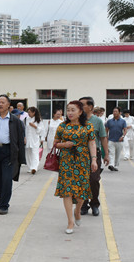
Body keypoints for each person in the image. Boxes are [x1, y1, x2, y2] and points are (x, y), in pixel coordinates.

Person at [53, 101, 97, 234]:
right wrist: (64, 145)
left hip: (82, 161)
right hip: (66, 161)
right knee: (67, 190)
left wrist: (94, 160)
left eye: (73, 110)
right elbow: (55, 143)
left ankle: (77, 210)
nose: (70, 113)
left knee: (81, 191)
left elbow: (92, 143)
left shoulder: (88, 126)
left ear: (80, 112)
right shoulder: (62, 126)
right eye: (68, 110)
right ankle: (70, 221)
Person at [79, 97, 109, 216]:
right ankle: (83, 205)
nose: (80, 107)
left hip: (94, 154)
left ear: (90, 107)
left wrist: (106, 154)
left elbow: (103, 138)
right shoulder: (76, 120)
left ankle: (94, 204)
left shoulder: (97, 121)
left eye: (82, 105)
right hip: (79, 154)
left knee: (94, 180)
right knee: (82, 180)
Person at [23, 106, 45, 174]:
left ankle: (34, 167)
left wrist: (34, 126)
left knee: (35, 153)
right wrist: (24, 138)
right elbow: (25, 129)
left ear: (34, 112)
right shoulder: (26, 119)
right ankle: (30, 167)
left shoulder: (38, 120)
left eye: (30, 112)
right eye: (28, 112)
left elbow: (42, 130)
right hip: (28, 139)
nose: (28, 114)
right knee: (28, 153)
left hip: (35, 139)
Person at [105, 107, 127, 171]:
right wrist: (106, 137)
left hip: (119, 140)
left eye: (116, 111)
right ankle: (111, 164)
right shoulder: (109, 121)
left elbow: (125, 130)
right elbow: (106, 130)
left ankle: (116, 165)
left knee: (117, 154)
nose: (114, 113)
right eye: (113, 111)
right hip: (111, 140)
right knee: (111, 153)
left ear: (120, 113)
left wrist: (123, 136)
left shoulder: (123, 121)